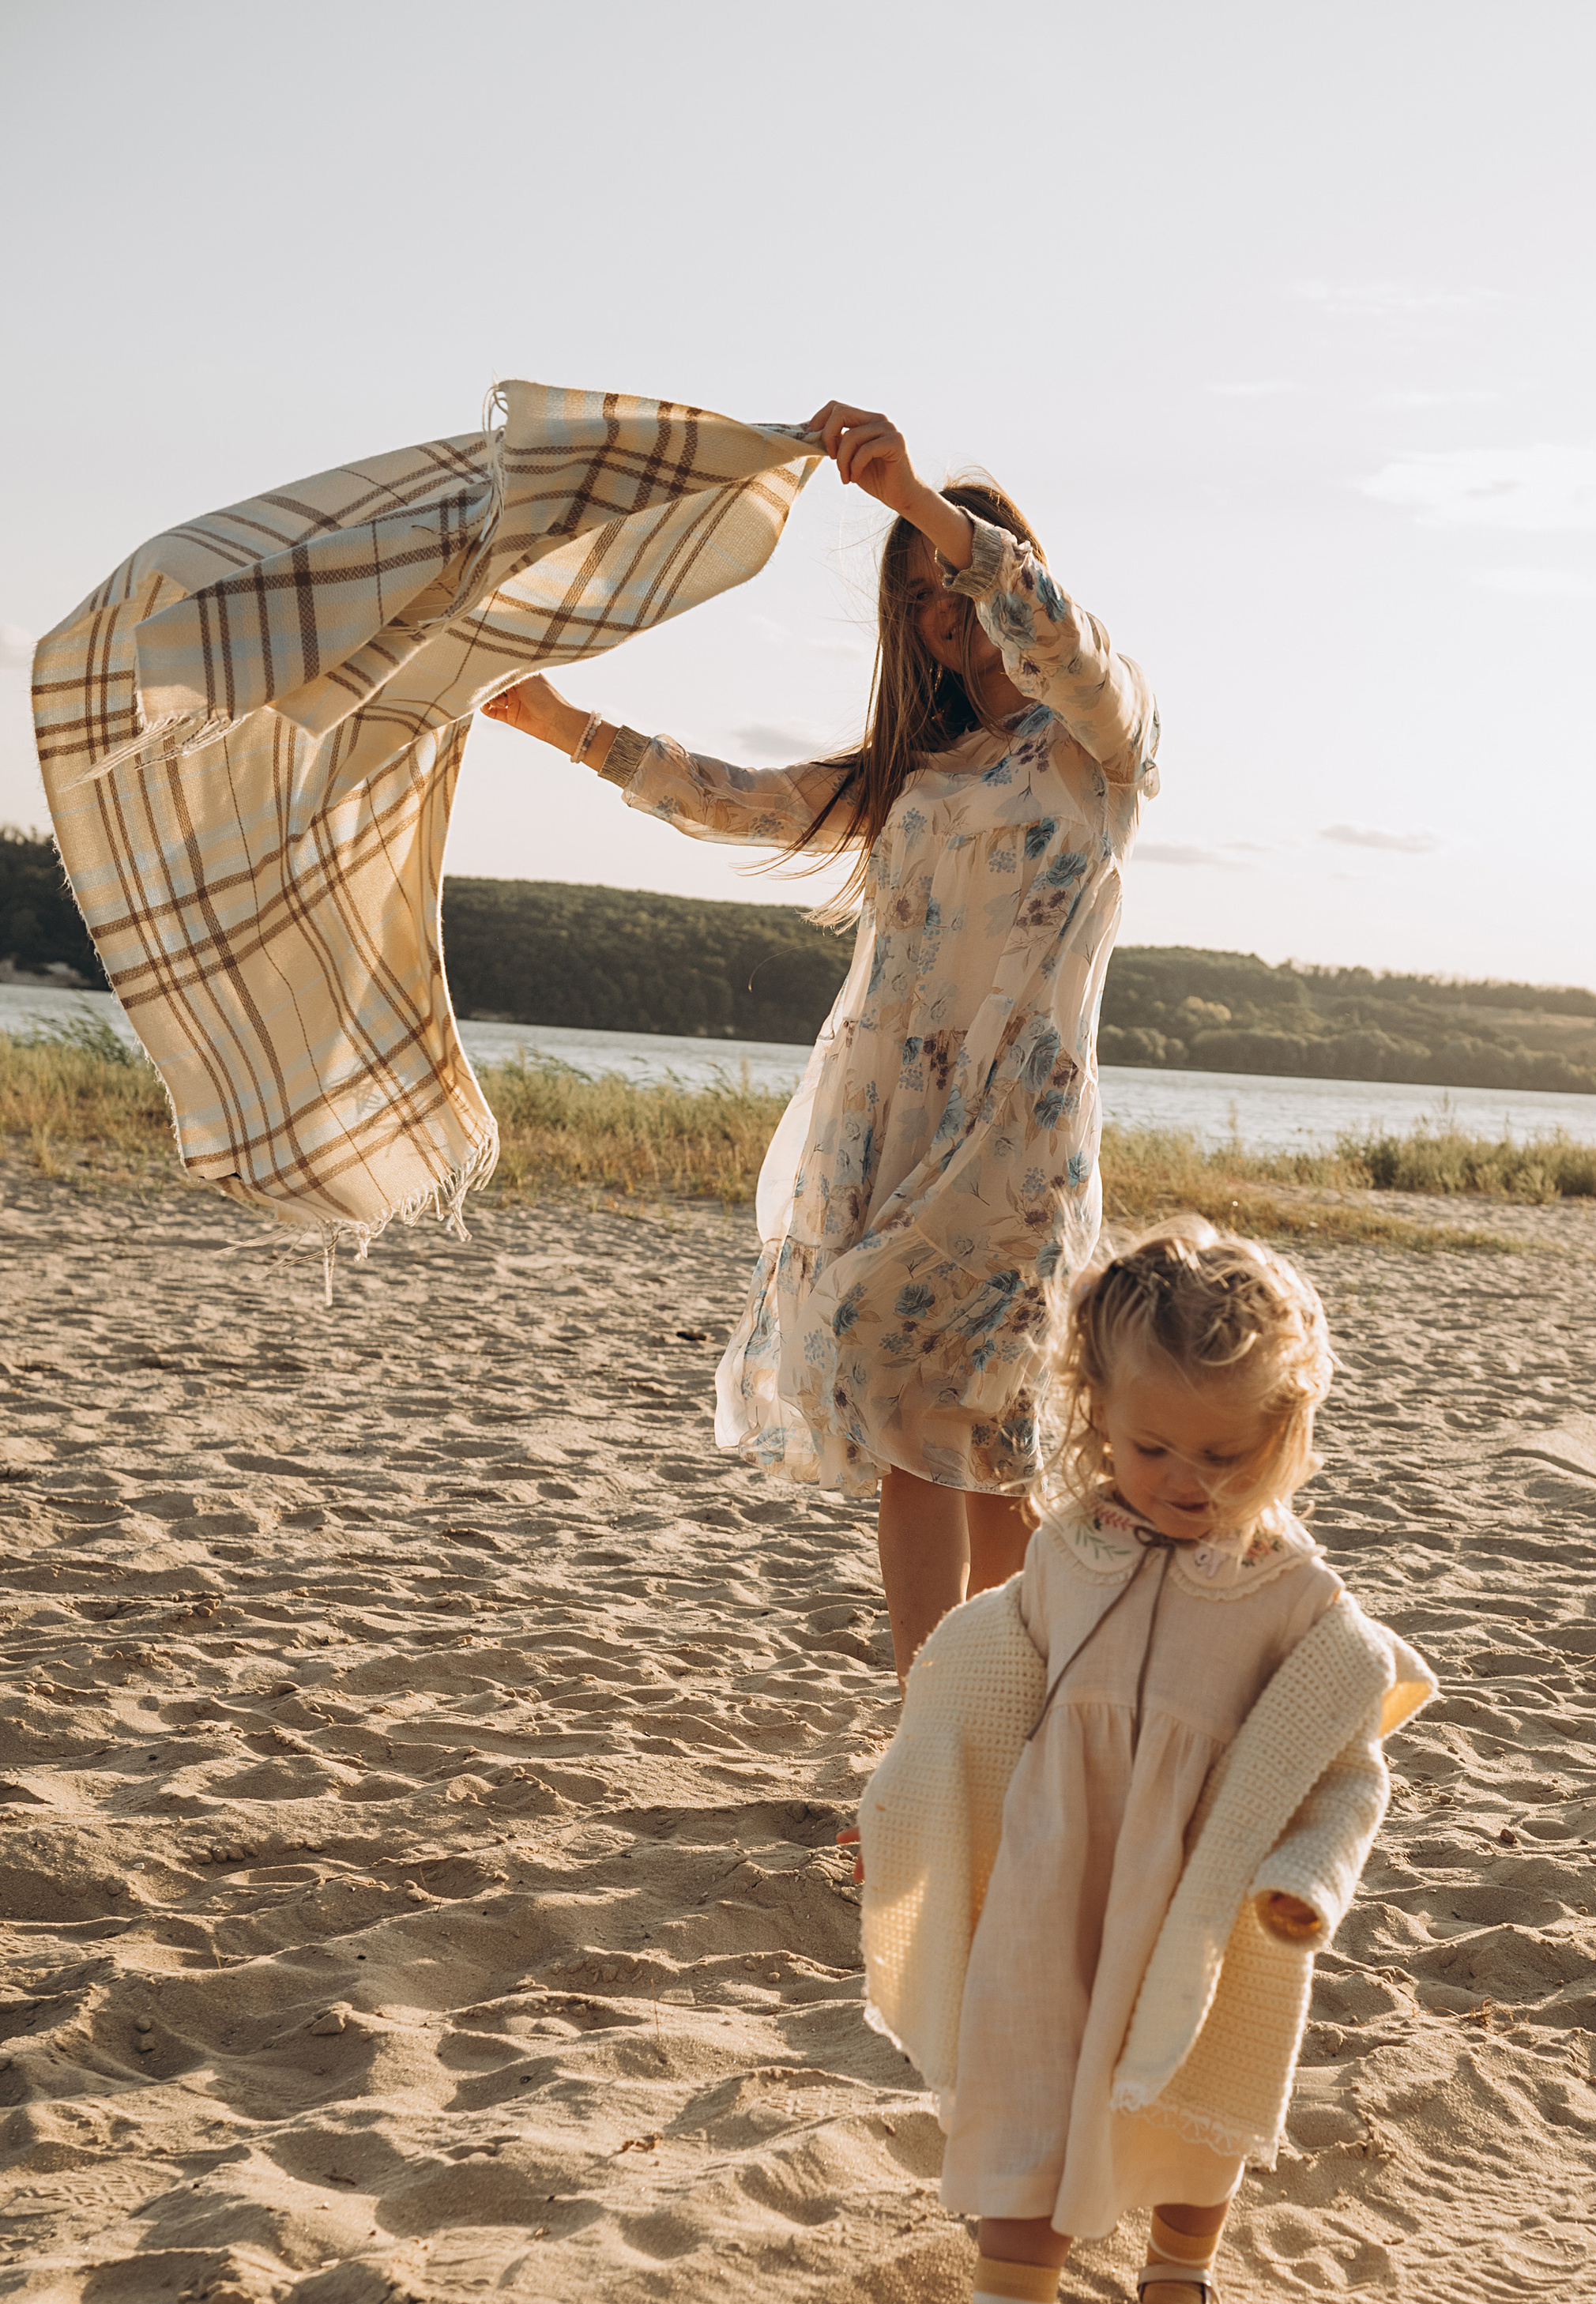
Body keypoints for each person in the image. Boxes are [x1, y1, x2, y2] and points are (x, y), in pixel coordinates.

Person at [480, 402, 1158, 1682]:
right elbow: (737, 799)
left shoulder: (1099, 743)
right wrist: (564, 725)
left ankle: (1002, 1726)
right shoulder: (914, 770)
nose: (937, 602)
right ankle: (931, 1729)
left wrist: (919, 504)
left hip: (1018, 1140)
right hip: (892, 1133)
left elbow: (1053, 627)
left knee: (994, 1447)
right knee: (909, 1417)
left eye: (950, 571)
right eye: (913, 591)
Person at [856, 1219, 1437, 2304]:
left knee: (1188, 2078)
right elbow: (975, 1682)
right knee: (1024, 2068)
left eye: (1228, 1452)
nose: (1186, 1478)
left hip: (1202, 1892)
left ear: (1286, 1433)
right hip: (1052, 1873)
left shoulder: (1300, 1605)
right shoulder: (1067, 1553)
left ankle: (1180, 2273)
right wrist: (912, 1800)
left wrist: (1303, 1882)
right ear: (1093, 1416)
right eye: (1152, 1443)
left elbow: (1344, 1768)